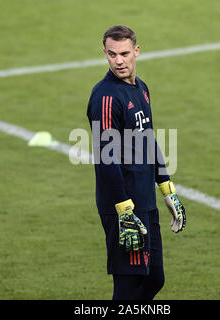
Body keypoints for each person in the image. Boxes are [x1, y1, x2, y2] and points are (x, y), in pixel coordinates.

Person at [86, 25, 186, 300]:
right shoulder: (106, 98)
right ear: (104, 53)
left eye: (125, 53)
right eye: (112, 54)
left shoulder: (141, 89)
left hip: (146, 201)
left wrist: (167, 188)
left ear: (137, 51)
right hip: (124, 207)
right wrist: (123, 211)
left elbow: (148, 140)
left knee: (154, 279)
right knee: (128, 288)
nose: (119, 60)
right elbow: (106, 161)